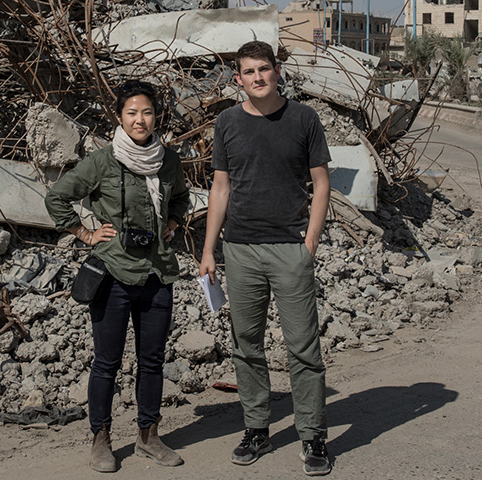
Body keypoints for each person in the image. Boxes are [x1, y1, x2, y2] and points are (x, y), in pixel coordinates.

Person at [199, 40, 332, 476]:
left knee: (303, 348)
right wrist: (208, 249)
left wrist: (308, 246)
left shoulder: (303, 119)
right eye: (248, 72)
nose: (257, 78)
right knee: (246, 347)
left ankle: (313, 436)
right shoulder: (228, 122)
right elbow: (220, 188)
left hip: (290, 249)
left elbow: (321, 184)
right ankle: (257, 428)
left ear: (277, 71)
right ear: (238, 79)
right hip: (240, 251)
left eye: (264, 69)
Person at [45, 80, 190, 473]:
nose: (140, 119)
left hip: (157, 273)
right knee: (106, 362)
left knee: (153, 360)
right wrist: (85, 233)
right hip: (113, 273)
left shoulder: (168, 160)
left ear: (156, 116)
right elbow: (57, 196)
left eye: (146, 112)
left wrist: (174, 221)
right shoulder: (103, 161)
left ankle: (148, 436)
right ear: (120, 117)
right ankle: (101, 439)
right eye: (132, 112)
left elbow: (181, 196)